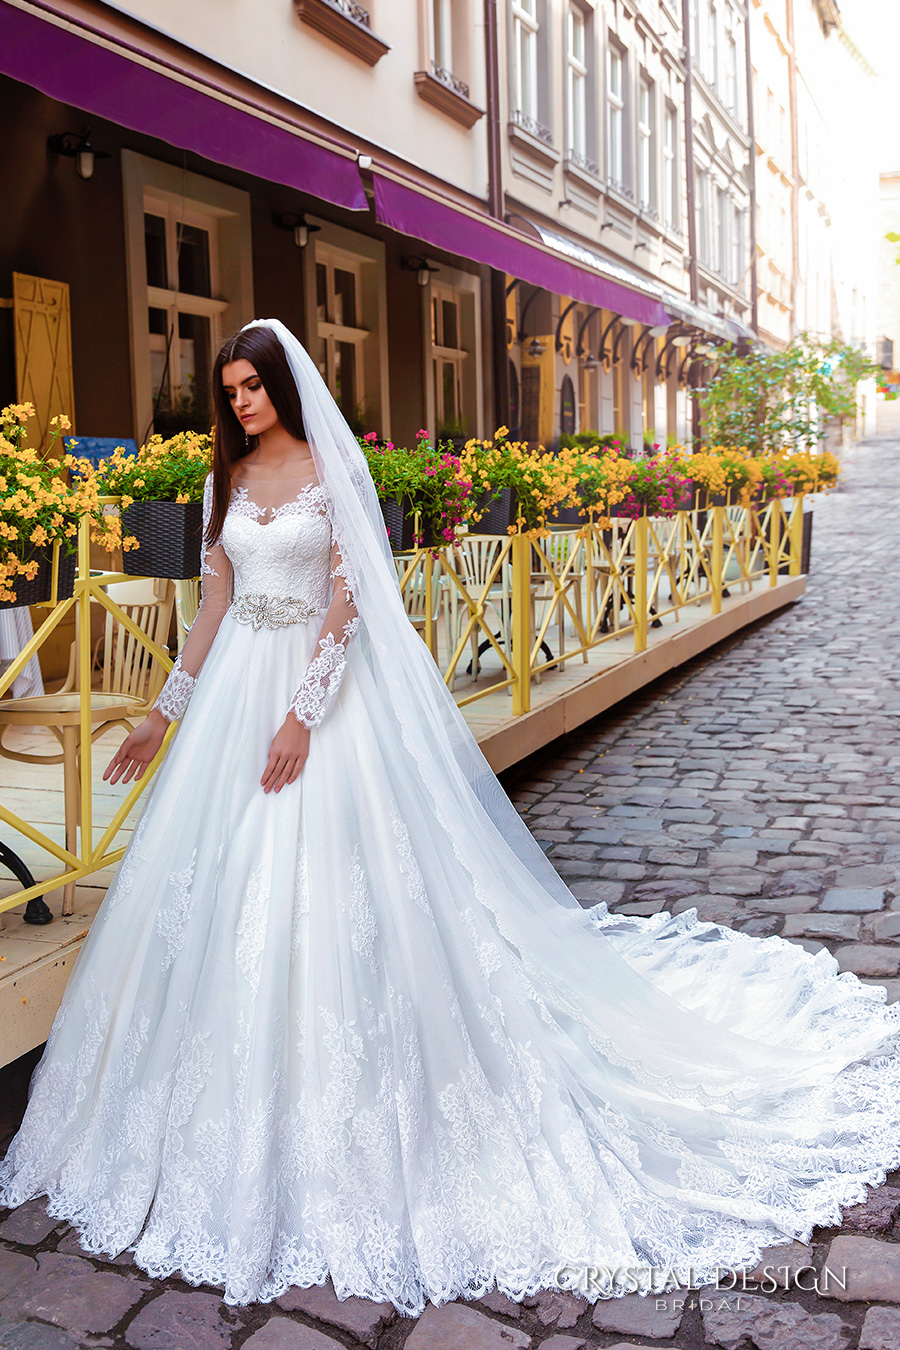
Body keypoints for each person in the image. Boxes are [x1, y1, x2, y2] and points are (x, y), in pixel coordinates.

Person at [2, 319, 899, 1316]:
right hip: (228, 708)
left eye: (254, 387)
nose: (242, 404)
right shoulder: (227, 482)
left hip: (313, 700)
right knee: (216, 897)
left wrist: (304, 712)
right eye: (231, 391)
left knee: (348, 891)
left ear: (286, 391)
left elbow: (347, 604)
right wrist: (166, 711)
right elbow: (212, 605)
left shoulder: (325, 473)